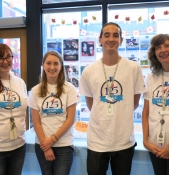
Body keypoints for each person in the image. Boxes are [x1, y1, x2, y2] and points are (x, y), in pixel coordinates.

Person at [79, 22, 146, 175]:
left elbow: (134, 103)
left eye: (116, 35)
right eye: (106, 35)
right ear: (100, 39)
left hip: (123, 141)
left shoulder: (133, 68)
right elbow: (91, 105)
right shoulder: (89, 71)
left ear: (121, 40)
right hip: (97, 141)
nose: (111, 39)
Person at [28, 50, 79, 175]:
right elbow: (36, 122)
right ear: (43, 66)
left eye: (56, 64)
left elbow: (70, 119)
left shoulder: (70, 89)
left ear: (61, 67)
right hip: (42, 145)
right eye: (48, 63)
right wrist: (46, 146)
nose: (52, 67)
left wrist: (52, 140)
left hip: (64, 146)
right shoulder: (35, 91)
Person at [0, 44, 27, 175]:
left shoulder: (20, 82)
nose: (6, 61)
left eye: (9, 56)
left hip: (18, 146)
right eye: (0, 58)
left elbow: (23, 111)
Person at [142, 34, 169, 175]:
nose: (163, 50)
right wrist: (146, 141)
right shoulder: (151, 78)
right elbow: (146, 112)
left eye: (167, 45)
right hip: (155, 147)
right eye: (158, 47)